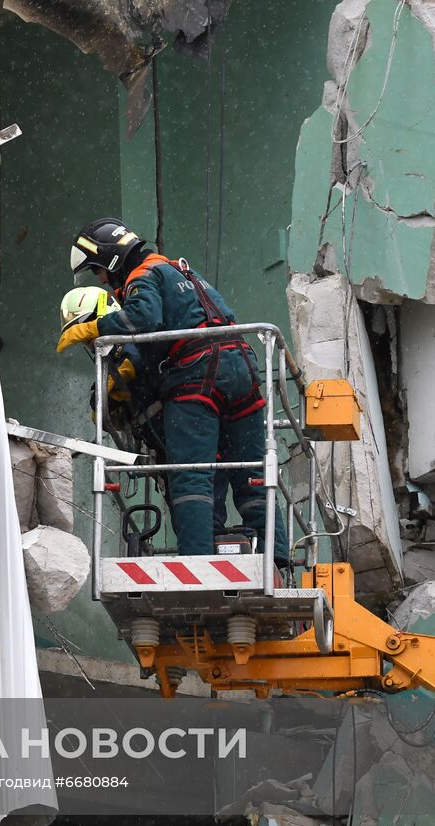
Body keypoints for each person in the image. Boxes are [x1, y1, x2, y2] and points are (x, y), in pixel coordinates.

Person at [56, 219, 289, 566]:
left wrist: (97, 329)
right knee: (252, 473)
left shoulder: (142, 275)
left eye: (98, 271)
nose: (102, 280)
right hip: (243, 367)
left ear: (112, 260)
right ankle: (278, 558)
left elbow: (143, 318)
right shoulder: (183, 272)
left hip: (199, 374)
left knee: (192, 477)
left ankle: (198, 566)